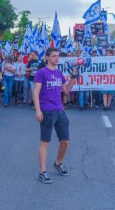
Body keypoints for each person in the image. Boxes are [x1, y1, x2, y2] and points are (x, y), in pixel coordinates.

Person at [33, 47, 75, 184]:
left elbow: (66, 91)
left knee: (65, 141)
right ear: (47, 58)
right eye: (53, 56)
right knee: (45, 142)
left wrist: (73, 78)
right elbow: (35, 93)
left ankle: (58, 163)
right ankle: (43, 172)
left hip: (59, 110)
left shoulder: (59, 73)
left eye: (58, 56)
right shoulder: (41, 73)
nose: (56, 58)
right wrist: (38, 110)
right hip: (46, 110)